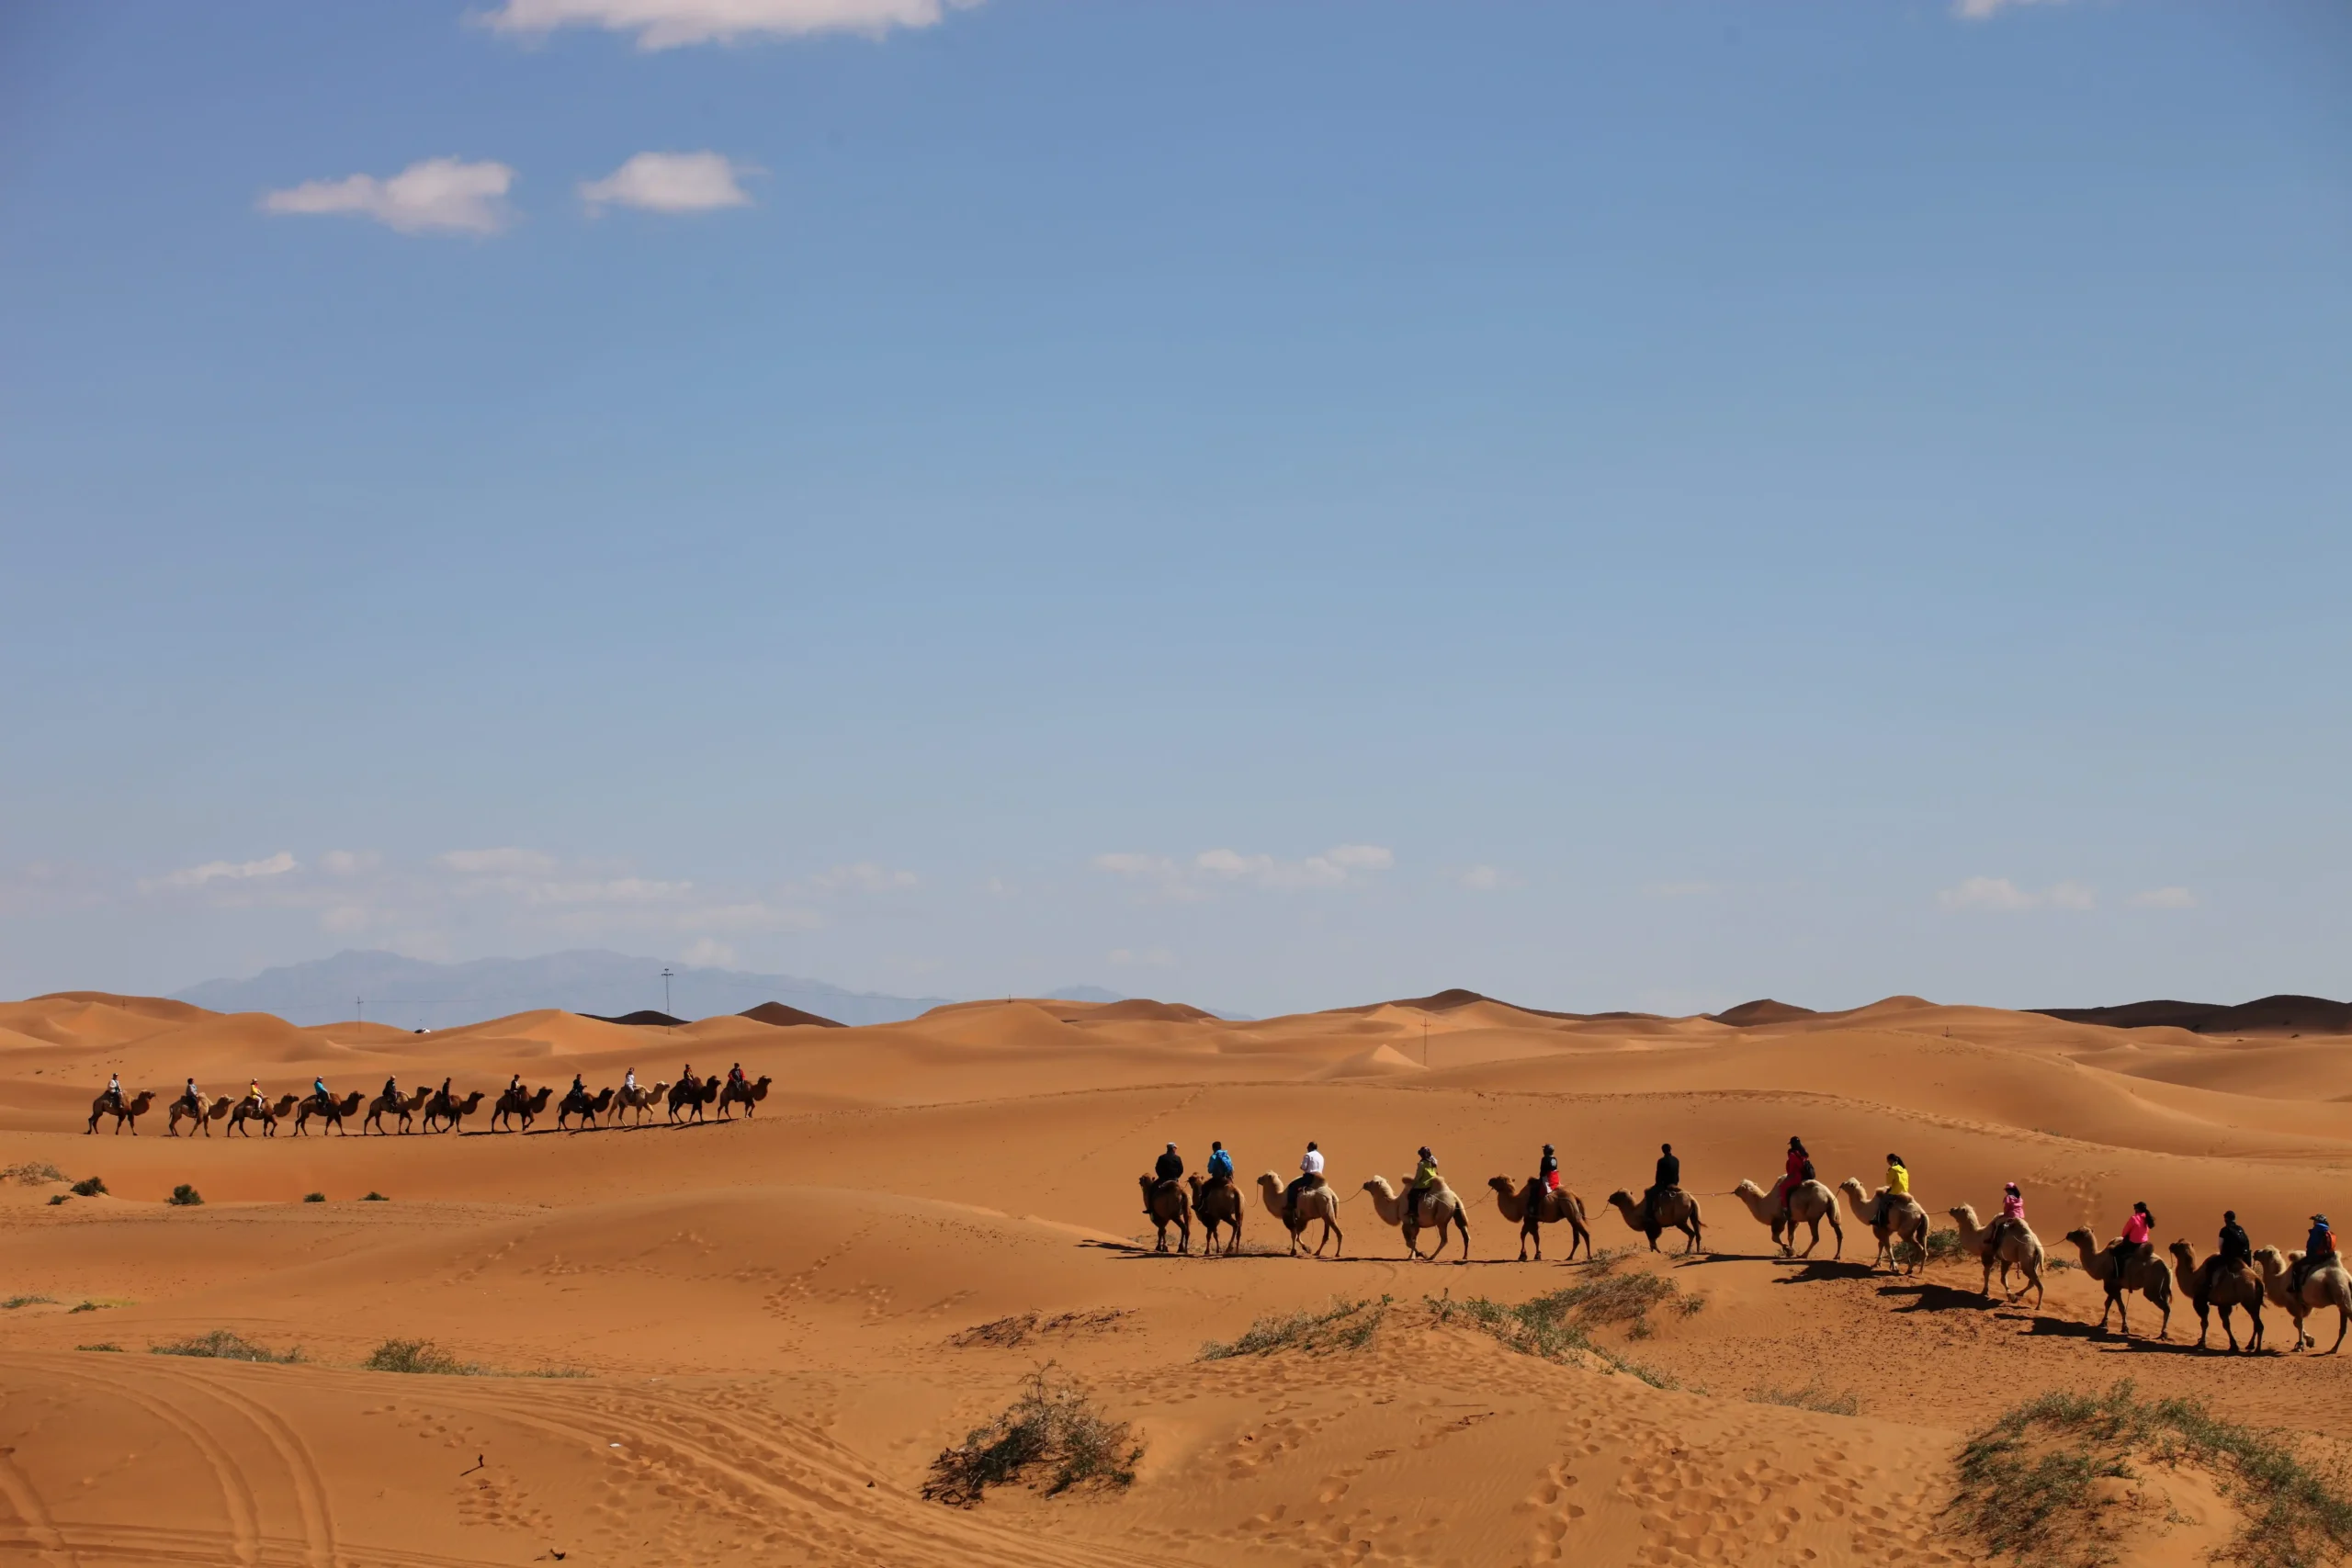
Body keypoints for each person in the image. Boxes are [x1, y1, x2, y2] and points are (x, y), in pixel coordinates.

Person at [1640, 1143, 1680, 1232]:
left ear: (1663, 1151)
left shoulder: (1661, 1161)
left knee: (1649, 1193)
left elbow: (1658, 1175)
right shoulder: (1676, 1160)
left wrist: (1657, 1185)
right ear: (1671, 1149)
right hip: (1674, 1184)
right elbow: (1677, 1174)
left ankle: (1649, 1215)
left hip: (1665, 1185)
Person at [2291, 1214, 2336, 1293]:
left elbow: (2312, 1244)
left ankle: (2295, 1288)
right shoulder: (2327, 1230)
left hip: (2316, 1257)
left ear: (2318, 1221)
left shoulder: (2317, 1230)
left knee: (2296, 1266)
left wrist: (2309, 1254)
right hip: (2327, 1257)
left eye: (2315, 1220)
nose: (2314, 1222)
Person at [1284, 1141, 1326, 1222]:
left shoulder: (1308, 1155)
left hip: (1309, 1178)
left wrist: (1302, 1166)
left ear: (1310, 1147)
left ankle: (1291, 1206)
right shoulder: (1321, 1156)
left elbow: (1304, 1167)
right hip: (1320, 1178)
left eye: (1308, 1147)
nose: (1307, 1148)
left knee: (1292, 1186)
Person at [1774, 1136, 1812, 1222]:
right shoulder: (1803, 1152)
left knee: (1782, 1188)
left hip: (1797, 1177)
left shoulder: (1793, 1155)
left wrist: (1789, 1176)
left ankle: (1785, 1209)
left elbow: (1792, 1169)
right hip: (1805, 1176)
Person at [1871, 1154, 1909, 1229]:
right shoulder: (1904, 1170)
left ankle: (1882, 1221)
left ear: (1891, 1160)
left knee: (1882, 1202)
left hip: (1896, 1192)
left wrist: (1888, 1173)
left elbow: (1888, 1181)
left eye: (1888, 1161)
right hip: (1905, 1192)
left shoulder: (1893, 1169)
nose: (1888, 1162)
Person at [1406, 1146, 1441, 1229]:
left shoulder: (1422, 1164)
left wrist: (1413, 1184)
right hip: (1433, 1183)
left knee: (1411, 1195)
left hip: (1424, 1185)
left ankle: (1413, 1215)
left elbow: (1418, 1177)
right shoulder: (1433, 1161)